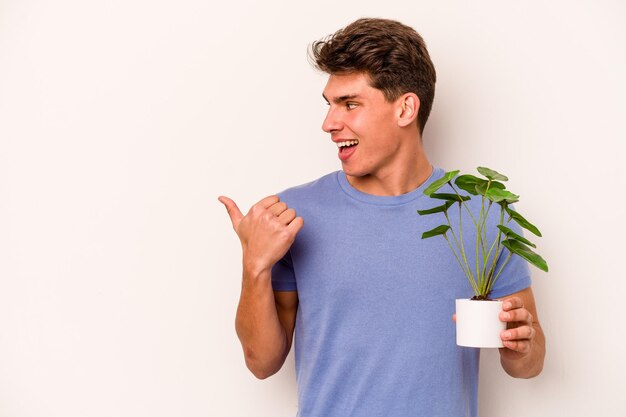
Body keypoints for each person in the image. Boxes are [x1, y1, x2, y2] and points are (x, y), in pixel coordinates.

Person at [218, 17, 545, 417]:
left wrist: (521, 344)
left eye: (350, 104)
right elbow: (261, 362)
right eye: (330, 104)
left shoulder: (482, 213)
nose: (329, 124)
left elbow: (528, 365)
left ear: (406, 107)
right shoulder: (291, 216)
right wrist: (255, 265)